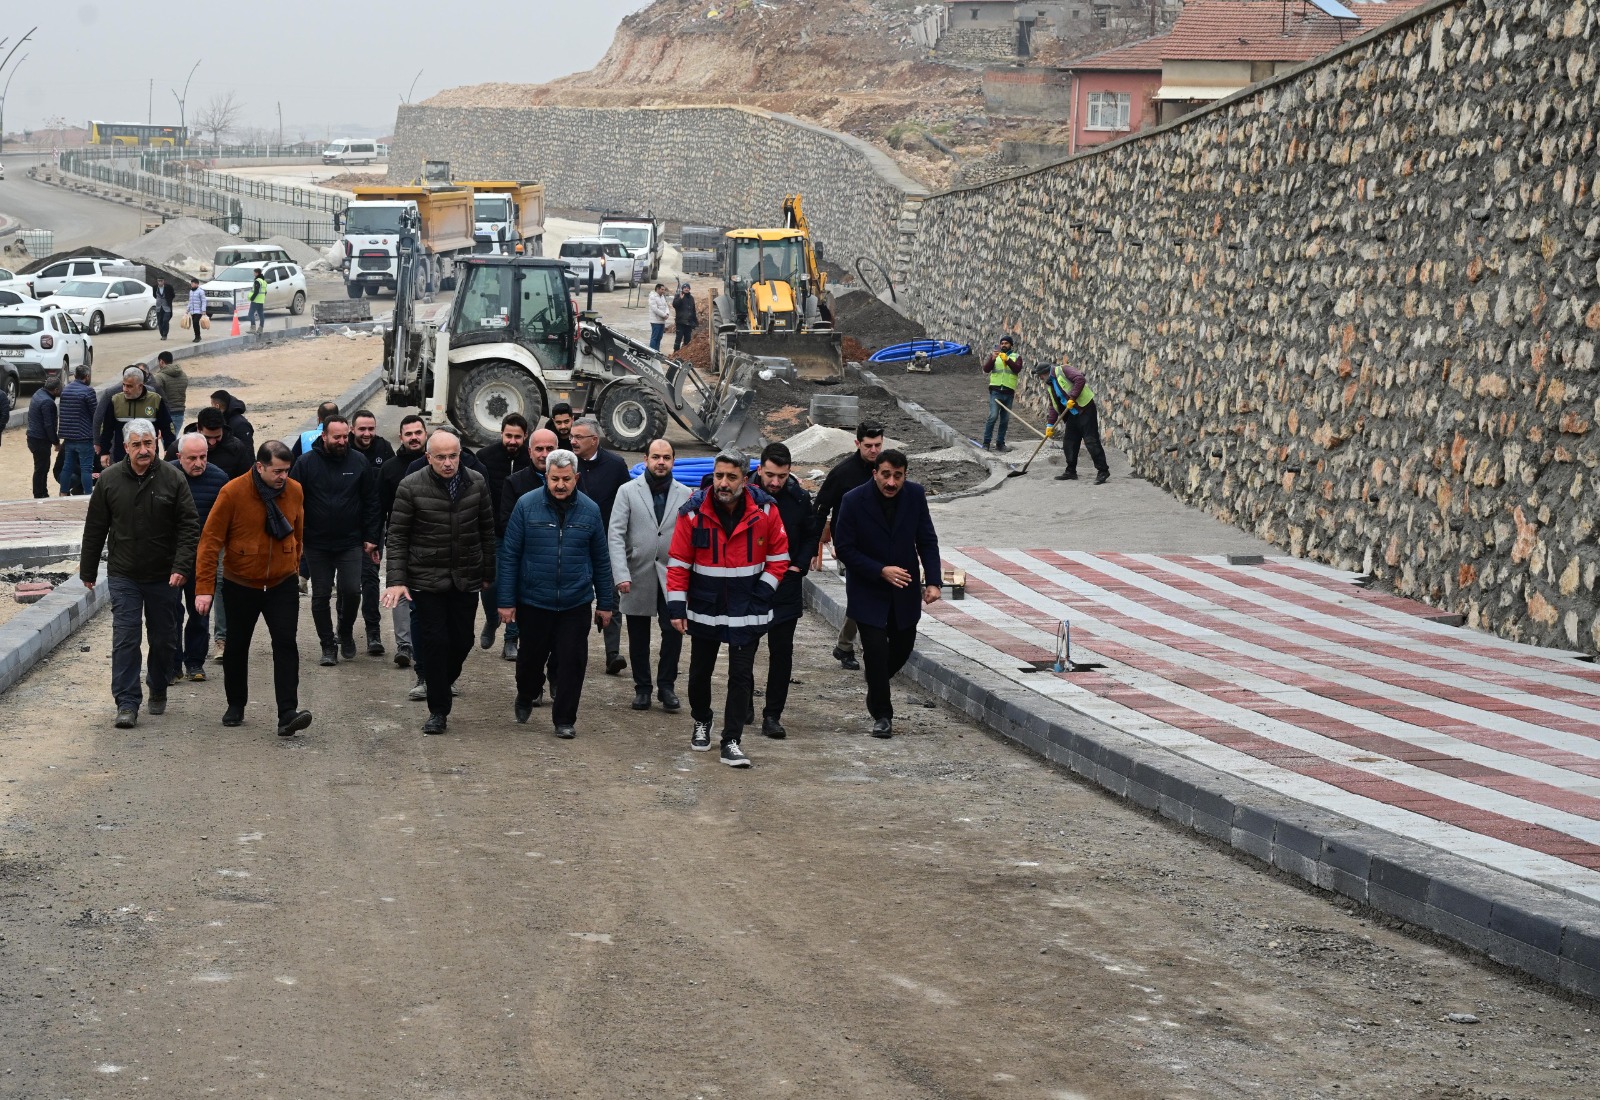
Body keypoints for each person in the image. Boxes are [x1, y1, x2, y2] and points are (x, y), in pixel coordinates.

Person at [666, 450, 789, 768]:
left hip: (747, 607)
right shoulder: (693, 513)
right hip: (705, 605)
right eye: (719, 475)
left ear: (745, 479)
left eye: (731, 477)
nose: (723, 482)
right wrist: (677, 606)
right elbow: (678, 563)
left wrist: (762, 594)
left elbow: (779, 558)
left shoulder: (765, 510)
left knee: (740, 676)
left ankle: (732, 740)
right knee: (699, 672)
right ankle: (701, 720)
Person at [79, 419, 200, 729]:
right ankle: (127, 702)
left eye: (148, 443)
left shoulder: (173, 478)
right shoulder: (108, 480)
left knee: (164, 640)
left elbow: (189, 526)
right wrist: (88, 569)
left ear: (157, 442)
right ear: (126, 448)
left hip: (164, 576)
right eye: (137, 445)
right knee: (126, 638)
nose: (144, 450)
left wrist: (181, 566)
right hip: (124, 574)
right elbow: (95, 528)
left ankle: (158, 686)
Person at [195, 440, 313, 737]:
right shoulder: (233, 492)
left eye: (287, 471)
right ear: (259, 466)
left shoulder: (295, 491)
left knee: (286, 644)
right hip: (240, 583)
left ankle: (287, 713)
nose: (282, 477)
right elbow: (210, 542)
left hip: (281, 583)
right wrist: (204, 587)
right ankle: (236, 704)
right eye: (277, 471)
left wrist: (294, 567)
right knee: (236, 646)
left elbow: (298, 534)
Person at [383, 429, 497, 735]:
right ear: (428, 458)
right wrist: (396, 579)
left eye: (453, 456)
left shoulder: (476, 482)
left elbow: (487, 528)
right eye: (441, 457)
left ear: (461, 455)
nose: (448, 463)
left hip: (466, 576)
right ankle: (438, 710)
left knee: (463, 641)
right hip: (426, 578)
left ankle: (439, 681)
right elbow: (396, 536)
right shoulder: (410, 486)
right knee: (435, 642)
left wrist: (489, 572)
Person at [498, 448, 614, 740]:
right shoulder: (526, 506)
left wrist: (606, 603)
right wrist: (506, 601)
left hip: (575, 602)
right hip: (535, 600)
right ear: (545, 478)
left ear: (575, 477)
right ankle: (526, 693)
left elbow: (601, 559)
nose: (560, 485)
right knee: (530, 662)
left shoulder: (590, 510)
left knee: (572, 662)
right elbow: (510, 555)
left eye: (566, 479)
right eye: (554, 479)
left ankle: (564, 718)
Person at [833, 448, 942, 738]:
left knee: (902, 645)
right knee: (876, 649)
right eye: (886, 475)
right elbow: (843, 547)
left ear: (905, 476)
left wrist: (934, 581)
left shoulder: (915, 496)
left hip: (904, 589)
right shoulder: (853, 500)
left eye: (898, 476)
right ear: (875, 473)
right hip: (868, 589)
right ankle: (882, 715)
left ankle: (876, 681)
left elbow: (927, 540)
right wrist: (880, 570)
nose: (891, 483)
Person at [290, 414, 380, 666]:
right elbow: (293, 502)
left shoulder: (359, 461)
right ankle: (327, 645)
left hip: (351, 541)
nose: (342, 441)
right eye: (336, 437)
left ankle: (345, 630)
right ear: (324, 436)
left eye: (344, 436)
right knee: (320, 595)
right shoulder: (305, 463)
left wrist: (371, 536)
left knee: (352, 591)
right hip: (316, 543)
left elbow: (372, 501)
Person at [608, 438, 691, 712]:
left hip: (673, 575)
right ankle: (642, 688)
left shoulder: (685, 494)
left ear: (673, 461)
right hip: (637, 572)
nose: (661, 462)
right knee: (638, 635)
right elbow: (616, 535)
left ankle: (666, 687)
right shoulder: (627, 491)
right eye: (656, 457)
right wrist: (620, 573)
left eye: (666, 457)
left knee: (673, 631)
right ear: (645, 458)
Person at [751, 442, 820, 738]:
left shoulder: (799, 498)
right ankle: (742, 703)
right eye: (769, 475)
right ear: (759, 469)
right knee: (744, 649)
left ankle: (772, 715)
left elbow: (810, 534)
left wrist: (800, 565)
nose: (775, 482)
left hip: (785, 585)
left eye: (781, 476)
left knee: (781, 653)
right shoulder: (743, 494)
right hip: (749, 584)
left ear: (789, 472)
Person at [811, 420, 884, 671]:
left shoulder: (886, 471)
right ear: (857, 444)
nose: (873, 451)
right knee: (864, 592)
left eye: (877, 445)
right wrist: (814, 545)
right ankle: (860, 647)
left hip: (880, 544)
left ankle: (845, 646)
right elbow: (820, 507)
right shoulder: (843, 473)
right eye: (868, 446)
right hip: (850, 546)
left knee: (872, 595)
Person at [570, 416, 631, 675]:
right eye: (571, 437)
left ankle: (612, 653)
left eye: (578, 437)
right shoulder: (567, 464)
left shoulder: (616, 465)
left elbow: (627, 503)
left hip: (606, 543)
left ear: (594, 440)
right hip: (574, 543)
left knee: (611, 599)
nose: (572, 441)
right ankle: (572, 651)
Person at [169, 433, 229, 683]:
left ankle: (195, 662)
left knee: (200, 612)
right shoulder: (165, 476)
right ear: (178, 457)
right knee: (170, 613)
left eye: (203, 457)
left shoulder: (218, 479)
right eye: (192, 458)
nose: (198, 463)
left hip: (204, 559)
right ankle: (172, 666)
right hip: (170, 558)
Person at [497, 426, 558, 662]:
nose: (544, 454)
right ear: (530, 451)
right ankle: (511, 638)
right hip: (525, 561)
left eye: (549, 449)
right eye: (539, 449)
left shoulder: (570, 481)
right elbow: (506, 522)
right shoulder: (515, 483)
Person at [473, 412, 530, 652]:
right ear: (501, 434)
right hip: (492, 531)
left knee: (517, 584)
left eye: (518, 436)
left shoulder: (531, 458)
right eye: (509, 436)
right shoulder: (485, 457)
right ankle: (492, 617)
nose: (513, 441)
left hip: (523, 533)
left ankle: (511, 638)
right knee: (490, 582)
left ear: (525, 436)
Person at [379, 414, 429, 669]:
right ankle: (404, 645)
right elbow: (381, 508)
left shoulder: (436, 465)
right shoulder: (389, 469)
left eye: (418, 432)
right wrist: (375, 540)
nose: (413, 437)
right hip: (401, 540)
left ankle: (428, 642)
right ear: (401, 437)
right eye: (408, 434)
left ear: (425, 433)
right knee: (399, 590)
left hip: (432, 541)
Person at [349, 409, 396, 655]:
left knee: (369, 579)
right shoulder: (342, 447)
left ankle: (373, 633)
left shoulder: (384, 448)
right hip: (344, 527)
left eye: (371, 429)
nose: (367, 434)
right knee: (347, 584)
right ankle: (343, 631)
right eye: (362, 429)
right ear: (352, 429)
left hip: (373, 526)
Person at [1034, 359, 1111, 485]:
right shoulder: (1050, 385)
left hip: (1085, 408)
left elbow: (1080, 379)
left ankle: (1103, 471)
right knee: (1069, 442)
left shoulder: (1063, 370)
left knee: (1091, 440)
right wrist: (1050, 425)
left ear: (1045, 372)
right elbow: (1053, 406)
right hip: (1072, 414)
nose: (1040, 378)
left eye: (1040, 375)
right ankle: (1071, 471)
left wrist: (1073, 397)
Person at [98, 366, 175, 468]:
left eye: (129, 386)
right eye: (124, 385)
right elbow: (106, 429)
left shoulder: (155, 400)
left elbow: (167, 427)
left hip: (148, 458)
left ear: (140, 386)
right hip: (122, 458)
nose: (125, 389)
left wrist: (169, 449)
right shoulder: (115, 401)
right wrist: (104, 452)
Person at [58, 364, 98, 496]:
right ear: (86, 376)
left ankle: (63, 492)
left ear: (75, 375)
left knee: (67, 466)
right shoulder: (88, 391)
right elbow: (95, 413)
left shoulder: (65, 390)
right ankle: (88, 495)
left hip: (69, 436)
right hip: (84, 436)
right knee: (86, 468)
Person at [981, 335, 1019, 453]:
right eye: (1002, 343)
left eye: (1006, 343)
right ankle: (986, 443)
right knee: (992, 416)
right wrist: (992, 358)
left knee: (1005, 419)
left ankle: (1000, 444)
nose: (1003, 345)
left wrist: (1007, 360)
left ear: (1011, 345)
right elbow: (986, 369)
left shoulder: (1016, 357)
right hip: (996, 391)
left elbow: (1017, 369)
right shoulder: (995, 356)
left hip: (1008, 393)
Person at [25, 375, 61, 499]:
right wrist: (56, 442)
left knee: (42, 466)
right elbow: (49, 425)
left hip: (33, 437)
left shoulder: (38, 393)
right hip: (40, 440)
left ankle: (42, 492)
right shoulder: (48, 402)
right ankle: (39, 494)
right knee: (42, 468)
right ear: (55, 390)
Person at [195, 407, 253, 479]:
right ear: (198, 429)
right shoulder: (181, 448)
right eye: (207, 437)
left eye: (217, 437)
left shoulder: (237, 449)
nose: (212, 442)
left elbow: (246, 480)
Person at [152, 351, 189, 431]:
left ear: (161, 361)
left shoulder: (159, 377)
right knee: (173, 439)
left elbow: (155, 394)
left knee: (167, 441)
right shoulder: (183, 375)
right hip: (180, 413)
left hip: (166, 413)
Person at [672, 282, 698, 353]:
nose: (686, 289)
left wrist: (695, 321)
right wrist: (680, 299)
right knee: (678, 338)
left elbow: (693, 310)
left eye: (688, 288)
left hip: (689, 323)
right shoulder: (678, 296)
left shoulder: (691, 298)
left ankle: (685, 353)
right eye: (685, 288)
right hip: (680, 322)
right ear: (682, 289)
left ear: (689, 289)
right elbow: (675, 305)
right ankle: (675, 352)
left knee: (688, 339)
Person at [647, 282, 671, 351]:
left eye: (664, 290)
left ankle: (657, 351)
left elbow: (666, 306)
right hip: (655, 321)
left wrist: (667, 314)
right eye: (662, 289)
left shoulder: (662, 297)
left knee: (659, 337)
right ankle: (651, 351)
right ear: (657, 289)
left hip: (662, 321)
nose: (663, 291)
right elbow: (655, 309)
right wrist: (664, 315)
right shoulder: (652, 297)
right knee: (654, 337)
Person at [153, 276, 175, 340]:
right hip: (159, 307)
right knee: (160, 321)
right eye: (158, 281)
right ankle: (162, 334)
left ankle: (165, 334)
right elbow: (154, 295)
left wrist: (168, 300)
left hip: (167, 307)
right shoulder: (155, 287)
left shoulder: (169, 287)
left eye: (161, 281)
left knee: (165, 320)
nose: (160, 282)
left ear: (164, 281)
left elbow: (173, 295)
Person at [185, 279, 206, 344]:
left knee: (196, 322)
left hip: (198, 311)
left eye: (193, 283)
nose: (192, 284)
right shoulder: (191, 291)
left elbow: (204, 301)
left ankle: (198, 336)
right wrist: (187, 310)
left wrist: (203, 310)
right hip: (192, 311)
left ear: (197, 284)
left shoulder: (201, 291)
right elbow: (190, 301)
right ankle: (197, 336)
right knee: (194, 324)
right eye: (191, 283)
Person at [247, 268, 268, 334]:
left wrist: (252, 298)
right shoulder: (264, 281)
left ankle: (253, 328)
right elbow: (265, 292)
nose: (254, 274)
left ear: (257, 273)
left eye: (254, 273)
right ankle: (260, 329)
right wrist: (262, 298)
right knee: (261, 314)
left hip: (255, 300)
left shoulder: (257, 281)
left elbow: (256, 291)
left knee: (250, 314)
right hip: (261, 301)